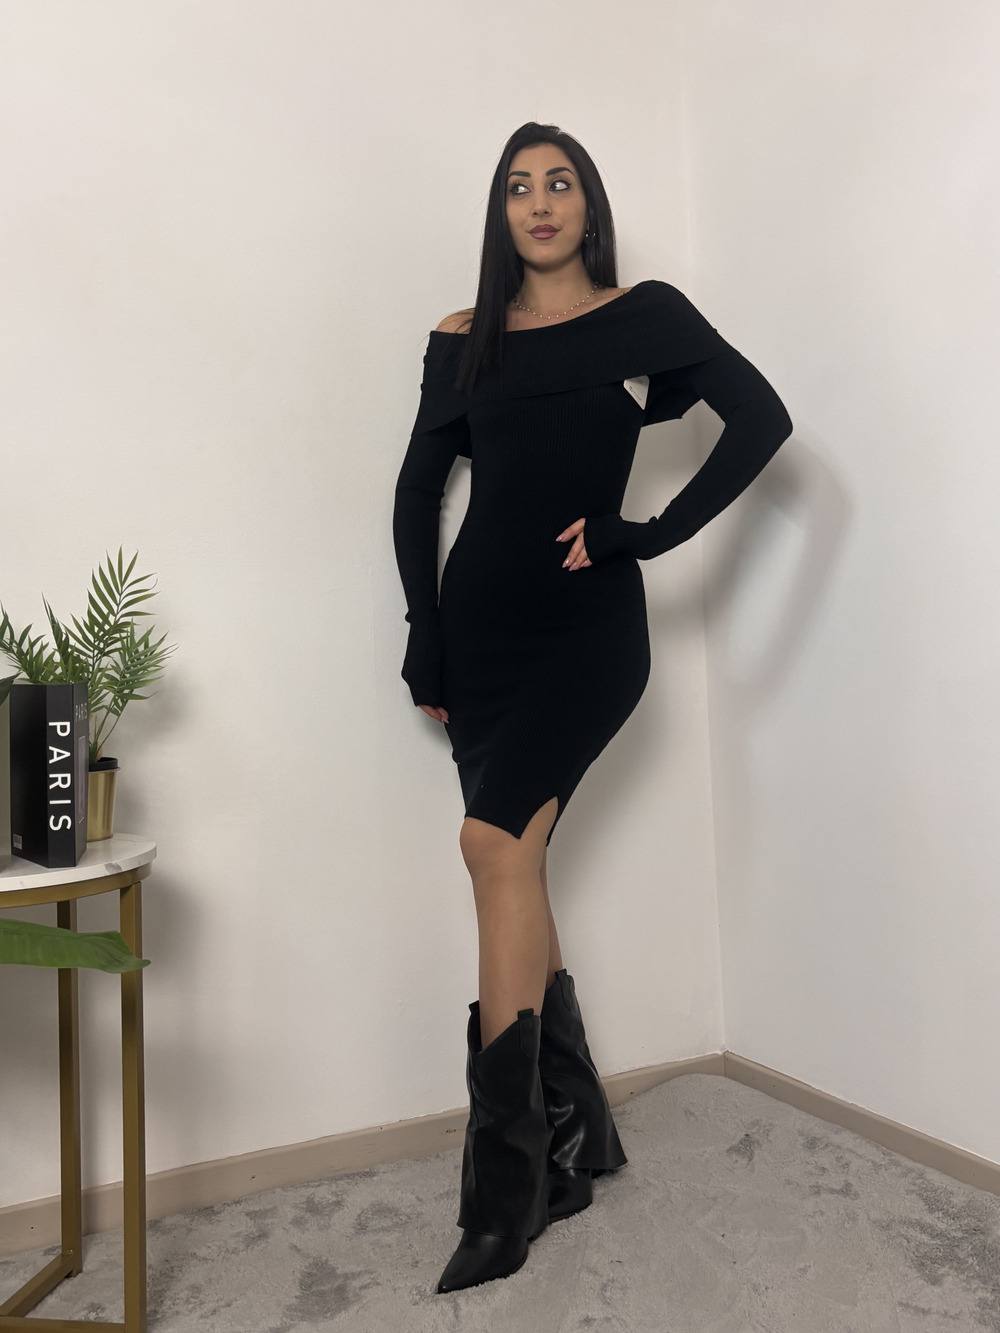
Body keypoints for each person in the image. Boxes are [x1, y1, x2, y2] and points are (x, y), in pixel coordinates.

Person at [392, 121, 793, 1295]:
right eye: (518, 187)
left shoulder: (642, 319)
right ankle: (575, 1136)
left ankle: (504, 1190)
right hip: (481, 633)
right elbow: (417, 490)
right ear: (500, 214)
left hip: (586, 635)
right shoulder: (462, 336)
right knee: (514, 858)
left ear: (587, 203)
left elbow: (760, 422)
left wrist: (643, 534)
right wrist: (424, 630)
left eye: (558, 182)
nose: (539, 202)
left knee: (488, 846)